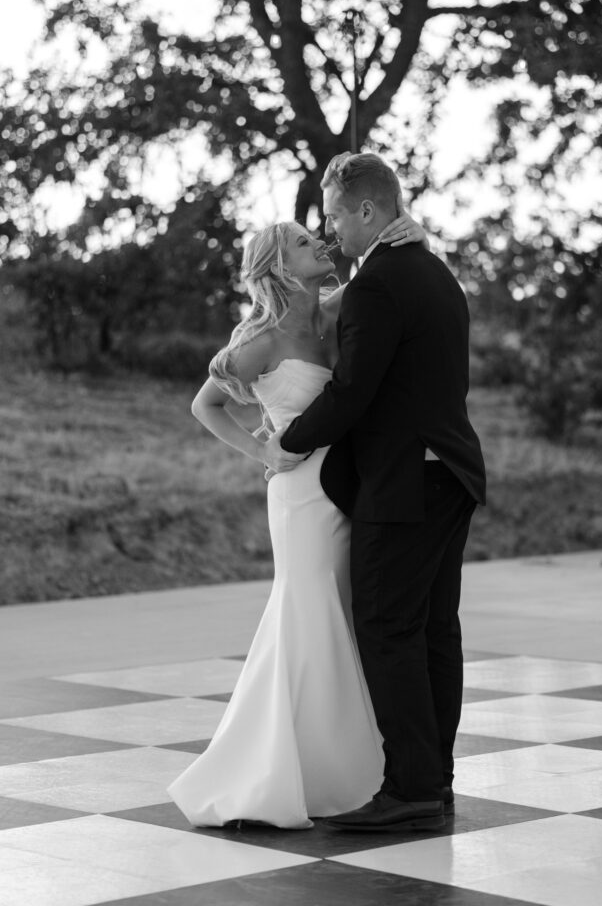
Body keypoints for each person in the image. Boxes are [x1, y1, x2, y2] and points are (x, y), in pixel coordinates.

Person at [167, 203, 427, 829]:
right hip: (299, 494)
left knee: (341, 608)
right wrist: (262, 448)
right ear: (280, 265)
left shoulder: (333, 309)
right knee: (309, 610)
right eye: (308, 241)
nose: (323, 243)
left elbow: (378, 276)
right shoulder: (259, 339)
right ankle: (290, 771)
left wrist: (413, 232)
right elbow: (205, 405)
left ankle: (349, 766)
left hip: (348, 487)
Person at [267, 152, 486, 834]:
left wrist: (290, 440)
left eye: (334, 216)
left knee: (388, 628)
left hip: (405, 481)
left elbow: (352, 392)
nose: (331, 232)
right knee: (431, 631)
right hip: (448, 471)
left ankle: (411, 787)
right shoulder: (433, 272)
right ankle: (433, 778)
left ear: (367, 210)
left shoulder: (379, 284)